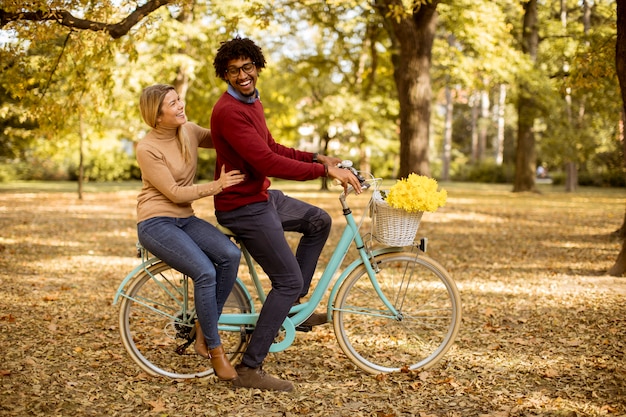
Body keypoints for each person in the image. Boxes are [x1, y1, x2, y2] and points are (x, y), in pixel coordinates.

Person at [210, 37, 362, 392]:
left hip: (260, 197)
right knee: (289, 279)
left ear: (257, 66)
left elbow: (271, 147)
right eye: (233, 71)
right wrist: (326, 173)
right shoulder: (229, 112)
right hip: (242, 207)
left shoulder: (251, 101)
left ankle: (293, 310)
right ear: (225, 75)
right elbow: (266, 162)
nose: (242, 75)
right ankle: (249, 368)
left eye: (247, 67)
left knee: (318, 221)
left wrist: (316, 157)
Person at [136, 84, 245, 381]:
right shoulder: (147, 148)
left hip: (185, 219)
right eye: (172, 103)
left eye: (178, 99)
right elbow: (174, 193)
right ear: (157, 117)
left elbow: (225, 138)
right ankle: (215, 349)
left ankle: (202, 330)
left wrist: (251, 127)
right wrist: (218, 185)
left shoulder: (189, 131)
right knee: (205, 272)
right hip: (156, 222)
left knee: (229, 255)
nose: (180, 105)